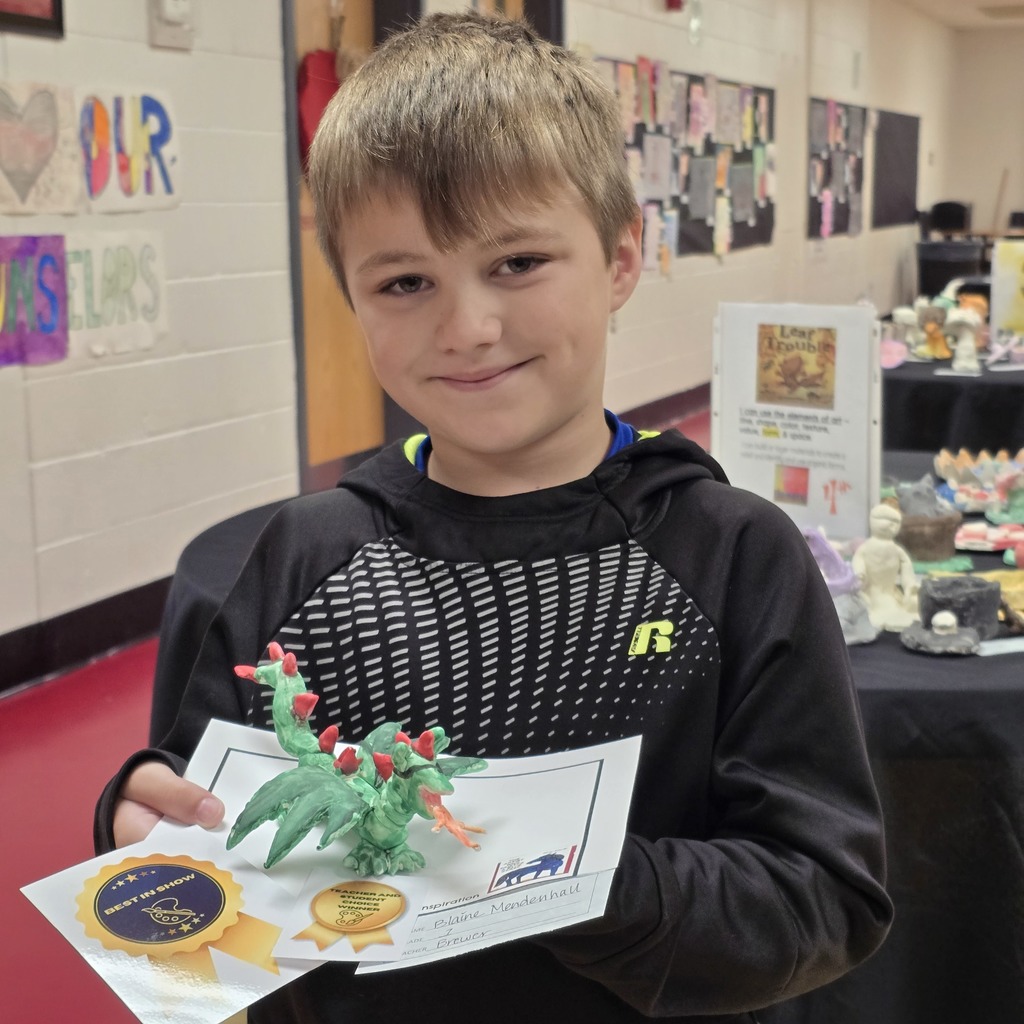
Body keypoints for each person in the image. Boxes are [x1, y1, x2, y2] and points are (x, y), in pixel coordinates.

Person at [95, 12, 892, 1022]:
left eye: (516, 263)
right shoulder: (299, 556)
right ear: (351, 296)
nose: (467, 327)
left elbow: (819, 898)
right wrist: (140, 815)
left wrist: (556, 876)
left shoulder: (730, 555)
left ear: (618, 258)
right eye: (405, 281)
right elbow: (198, 813)